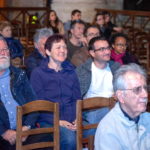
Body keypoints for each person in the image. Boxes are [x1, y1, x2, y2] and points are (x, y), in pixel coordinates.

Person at [30, 34, 81, 150]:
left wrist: (77, 118)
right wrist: (58, 121)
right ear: (48, 51)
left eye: (64, 47)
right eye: (58, 47)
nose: (62, 50)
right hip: (47, 120)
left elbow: (77, 99)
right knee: (69, 139)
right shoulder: (38, 73)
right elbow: (39, 104)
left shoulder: (71, 72)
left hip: (70, 120)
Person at [0, 36, 46, 150]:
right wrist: (3, 132)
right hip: (2, 132)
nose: (3, 53)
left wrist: (27, 127)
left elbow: (34, 104)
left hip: (23, 128)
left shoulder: (19, 75)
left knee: (48, 138)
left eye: (5, 49)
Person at [95, 63, 150, 150]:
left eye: (145, 88)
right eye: (137, 90)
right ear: (121, 96)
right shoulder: (108, 130)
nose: (145, 94)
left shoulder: (147, 118)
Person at [76, 36, 120, 136]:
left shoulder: (116, 68)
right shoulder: (82, 71)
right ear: (92, 53)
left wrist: (120, 93)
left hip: (114, 108)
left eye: (108, 48)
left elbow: (125, 89)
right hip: (90, 112)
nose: (107, 52)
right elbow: (75, 97)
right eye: (101, 49)